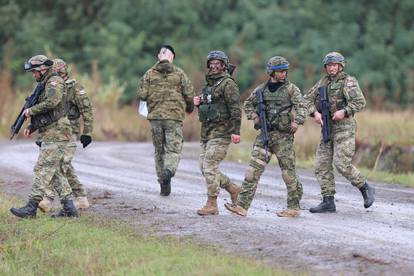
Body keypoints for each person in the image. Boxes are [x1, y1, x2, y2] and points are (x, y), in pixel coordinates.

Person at [225, 56, 306, 218]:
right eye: (279, 71)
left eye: (285, 71)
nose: (283, 74)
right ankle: (241, 206)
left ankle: (294, 207)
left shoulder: (291, 89)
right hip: (264, 136)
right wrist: (254, 116)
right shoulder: (261, 90)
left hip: (284, 137)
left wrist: (297, 121)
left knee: (288, 174)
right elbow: (247, 104)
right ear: (271, 72)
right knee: (252, 172)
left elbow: (302, 106)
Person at [303, 52, 375, 213]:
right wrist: (315, 113)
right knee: (322, 165)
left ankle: (365, 188)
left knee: (341, 163)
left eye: (335, 65)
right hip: (327, 128)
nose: (331, 68)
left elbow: (360, 102)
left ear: (340, 66)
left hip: (344, 127)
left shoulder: (348, 82)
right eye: (329, 65)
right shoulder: (322, 82)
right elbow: (305, 100)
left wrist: (345, 111)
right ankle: (328, 200)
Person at [10, 55, 78, 218]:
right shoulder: (45, 83)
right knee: (54, 172)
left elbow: (52, 103)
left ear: (42, 69)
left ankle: (31, 208)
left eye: (34, 71)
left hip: (57, 132)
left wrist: (30, 111)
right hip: (51, 131)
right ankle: (70, 210)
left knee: (42, 168)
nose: (33, 75)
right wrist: (32, 126)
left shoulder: (54, 82)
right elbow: (49, 112)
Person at [37, 58, 94, 212]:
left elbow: (87, 110)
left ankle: (48, 199)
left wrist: (87, 132)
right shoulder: (49, 87)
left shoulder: (74, 87)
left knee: (60, 164)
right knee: (64, 165)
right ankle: (81, 198)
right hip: (52, 132)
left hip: (70, 132)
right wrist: (40, 135)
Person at [137, 45, 194, 196]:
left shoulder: (149, 74)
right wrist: (189, 108)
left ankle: (163, 183)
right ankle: (168, 171)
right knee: (173, 148)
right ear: (172, 57)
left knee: (159, 150)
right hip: (174, 118)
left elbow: (142, 94)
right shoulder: (179, 74)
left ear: (159, 55)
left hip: (155, 118)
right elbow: (189, 94)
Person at [194, 50, 241, 216]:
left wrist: (236, 131)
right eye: (211, 64)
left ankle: (212, 203)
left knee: (209, 166)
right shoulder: (210, 84)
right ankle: (233, 189)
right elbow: (210, 105)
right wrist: (198, 102)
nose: (214, 66)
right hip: (207, 132)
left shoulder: (228, 84)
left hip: (222, 132)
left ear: (224, 66)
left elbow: (235, 109)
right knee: (204, 166)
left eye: (217, 64)